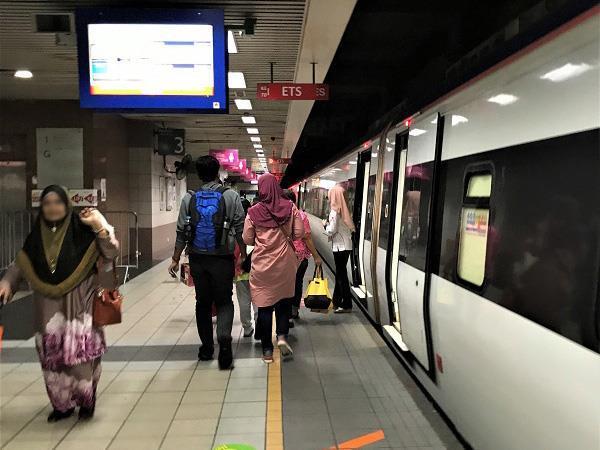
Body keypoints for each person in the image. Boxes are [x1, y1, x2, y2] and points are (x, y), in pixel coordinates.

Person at [0, 185, 119, 422]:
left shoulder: (82, 233)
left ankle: (86, 401)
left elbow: (110, 252)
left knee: (81, 355)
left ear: (67, 205)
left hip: (80, 307)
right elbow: (20, 263)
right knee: (52, 359)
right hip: (47, 311)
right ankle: (61, 405)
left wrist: (98, 226)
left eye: (58, 202)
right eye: (47, 203)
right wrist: (6, 283)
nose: (53, 207)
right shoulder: (36, 237)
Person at [169, 155, 246, 370]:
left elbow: (181, 232)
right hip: (222, 258)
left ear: (199, 174)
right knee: (224, 301)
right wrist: (244, 255)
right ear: (217, 171)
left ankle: (206, 349)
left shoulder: (188, 198)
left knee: (202, 303)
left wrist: (175, 259)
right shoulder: (230, 196)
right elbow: (240, 229)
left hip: (198, 258)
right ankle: (224, 344)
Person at [243, 174, 305, 363]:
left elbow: (247, 239)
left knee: (264, 306)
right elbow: (298, 234)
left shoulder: (253, 212)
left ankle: (267, 351)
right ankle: (282, 337)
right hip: (285, 264)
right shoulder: (290, 207)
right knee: (284, 303)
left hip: (262, 266)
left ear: (261, 189)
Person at [282, 189, 323, 326]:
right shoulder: (301, 216)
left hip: (282, 256)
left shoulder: (278, 215)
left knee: (285, 284)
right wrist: (316, 256)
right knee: (297, 283)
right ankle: (294, 311)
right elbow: (307, 238)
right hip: (300, 256)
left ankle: (285, 312)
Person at [324, 184, 355, 313]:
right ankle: (336, 301)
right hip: (346, 245)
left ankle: (347, 304)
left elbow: (331, 230)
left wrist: (324, 225)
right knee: (340, 274)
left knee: (341, 275)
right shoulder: (345, 209)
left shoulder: (335, 211)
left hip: (339, 247)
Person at [234, 198, 256, 337]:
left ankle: (247, 328)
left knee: (244, 301)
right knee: (259, 300)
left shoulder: (233, 226)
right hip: (257, 269)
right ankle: (260, 326)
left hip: (240, 269)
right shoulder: (256, 222)